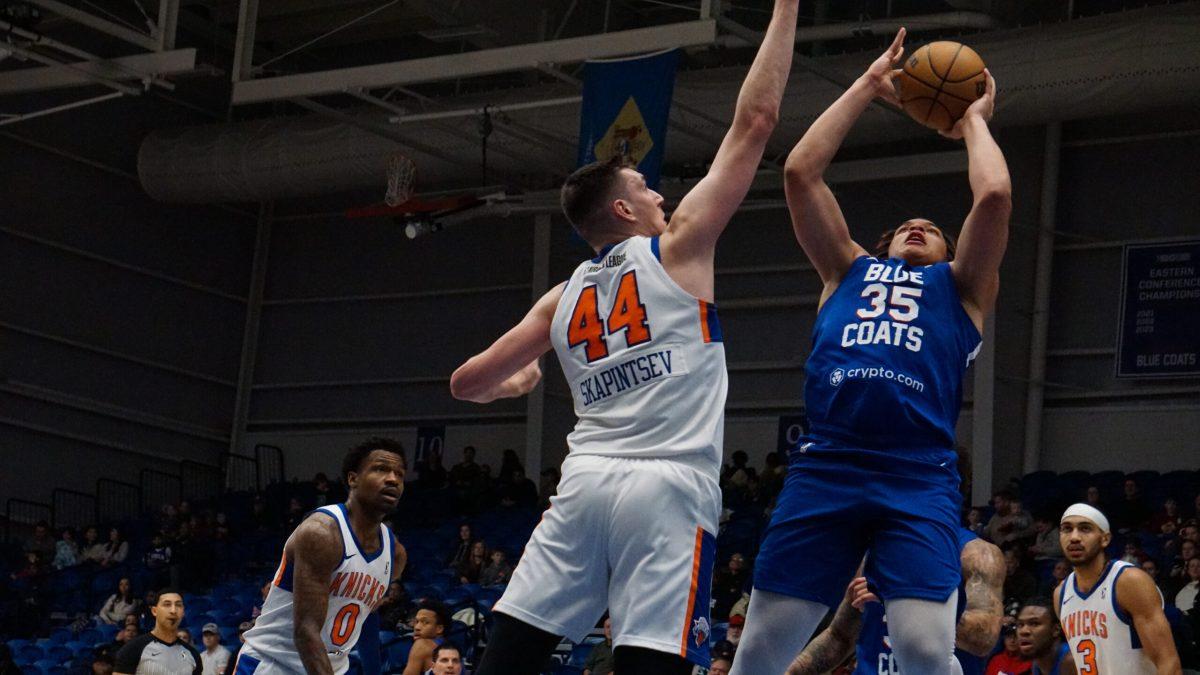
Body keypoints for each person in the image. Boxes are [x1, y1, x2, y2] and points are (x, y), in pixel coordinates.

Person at [448, 2, 798, 673]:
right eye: (644, 185)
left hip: (584, 482)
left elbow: (467, 382)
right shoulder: (678, 248)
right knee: (652, 657)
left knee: (508, 657)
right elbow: (756, 122)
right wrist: (784, 8)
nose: (660, 193)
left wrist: (519, 380)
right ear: (621, 208)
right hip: (667, 483)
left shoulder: (561, 297)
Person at [734, 26, 1011, 675]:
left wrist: (972, 119)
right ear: (884, 243)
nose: (920, 226)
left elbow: (994, 195)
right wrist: (865, 85)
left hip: (916, 474)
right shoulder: (844, 271)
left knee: (920, 648)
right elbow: (800, 170)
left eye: (934, 229)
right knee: (757, 657)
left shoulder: (963, 288)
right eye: (908, 226)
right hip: (826, 466)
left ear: (950, 253)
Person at [237, 438, 407, 675]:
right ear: (353, 479)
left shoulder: (395, 553)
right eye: (381, 469)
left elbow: (368, 617)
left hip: (328, 668)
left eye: (399, 474)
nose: (393, 479)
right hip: (274, 665)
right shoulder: (321, 533)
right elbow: (306, 631)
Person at [786, 530, 1005, 675]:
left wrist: (902, 600)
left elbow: (983, 639)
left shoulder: (976, 554)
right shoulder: (874, 552)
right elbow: (840, 637)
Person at [1053, 504, 1181, 673]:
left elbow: (1168, 663)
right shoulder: (1060, 594)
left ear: (1105, 539)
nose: (1074, 537)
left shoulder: (1129, 581)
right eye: (1067, 529)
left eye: (1085, 529)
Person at [114, 589, 201, 675]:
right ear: (154, 611)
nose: (173, 610)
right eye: (167, 605)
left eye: (178, 605)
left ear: (183, 613)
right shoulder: (132, 649)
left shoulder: (193, 654)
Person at [1016, 598, 1076, 675]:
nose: (1023, 631)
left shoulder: (1071, 662)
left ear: (1055, 630)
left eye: (1034, 624)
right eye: (1020, 625)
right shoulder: (1037, 663)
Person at [402, 600, 449, 675]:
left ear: (439, 629)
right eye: (417, 622)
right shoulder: (452, 648)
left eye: (425, 622)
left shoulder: (422, 645)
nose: (417, 627)